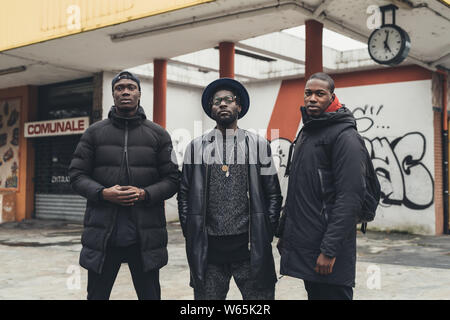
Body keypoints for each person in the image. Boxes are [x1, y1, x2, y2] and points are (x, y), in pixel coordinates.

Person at [69, 71, 180, 300]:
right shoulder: (94, 133)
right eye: (120, 88)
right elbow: (77, 175)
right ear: (113, 94)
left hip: (144, 238)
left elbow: (172, 179)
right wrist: (102, 193)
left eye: (131, 87)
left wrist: (145, 194)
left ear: (139, 93)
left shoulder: (158, 135)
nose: (126, 91)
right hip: (103, 237)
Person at [177, 78, 282, 300]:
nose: (222, 104)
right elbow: (184, 194)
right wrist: (191, 230)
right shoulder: (196, 148)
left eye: (228, 100)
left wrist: (266, 231)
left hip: (250, 250)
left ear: (239, 106)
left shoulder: (258, 145)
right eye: (217, 101)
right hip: (209, 252)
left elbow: (273, 194)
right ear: (210, 109)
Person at [278, 72, 367, 300]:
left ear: (332, 97)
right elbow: (300, 191)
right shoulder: (309, 132)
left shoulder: (345, 137)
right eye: (308, 93)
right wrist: (285, 234)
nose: (312, 99)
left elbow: (350, 199)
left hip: (328, 251)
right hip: (309, 245)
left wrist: (329, 250)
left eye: (320, 93)